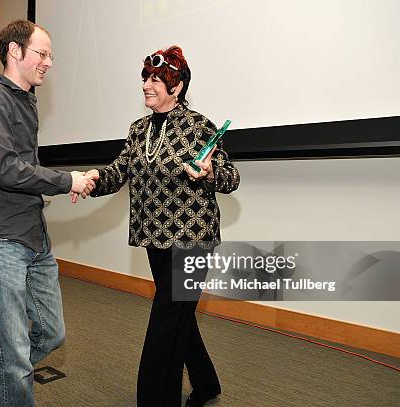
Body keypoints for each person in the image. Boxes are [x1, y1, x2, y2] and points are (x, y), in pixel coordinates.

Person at [77, 46, 240, 406]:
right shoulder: (138, 130)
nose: (146, 86)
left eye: (155, 80)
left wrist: (211, 171)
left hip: (193, 240)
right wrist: (93, 179)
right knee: (179, 314)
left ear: (176, 86)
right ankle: (207, 383)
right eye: (145, 79)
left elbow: (231, 177)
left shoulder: (199, 126)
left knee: (166, 318)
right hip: (155, 236)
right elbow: (119, 171)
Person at [0, 20, 97, 407]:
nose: (49, 63)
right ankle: (6, 380)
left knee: (51, 334)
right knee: (17, 355)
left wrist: (61, 184)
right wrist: (66, 180)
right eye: (42, 53)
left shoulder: (26, 101)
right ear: (14, 52)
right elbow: (6, 169)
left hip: (34, 237)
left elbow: (20, 173)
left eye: (51, 55)